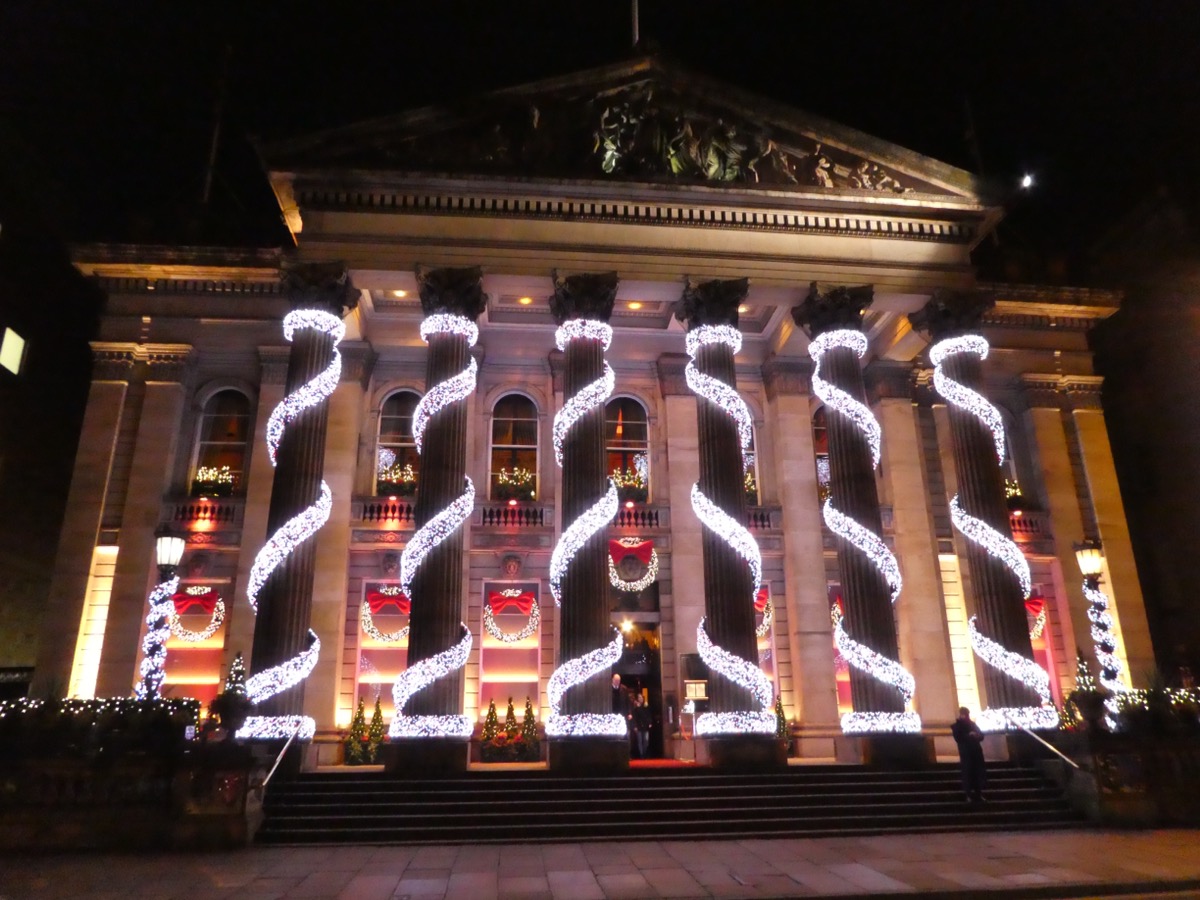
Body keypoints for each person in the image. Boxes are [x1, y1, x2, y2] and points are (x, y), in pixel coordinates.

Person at [951, 706, 987, 803]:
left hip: (975, 751)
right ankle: (968, 794)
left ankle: (978, 793)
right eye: (964, 714)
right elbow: (958, 738)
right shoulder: (957, 726)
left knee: (977, 773)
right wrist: (969, 735)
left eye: (966, 714)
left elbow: (981, 735)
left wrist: (976, 735)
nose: (965, 716)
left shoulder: (972, 724)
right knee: (967, 773)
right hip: (966, 752)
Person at [629, 693, 652, 759]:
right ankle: (641, 755)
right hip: (638, 726)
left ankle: (644, 753)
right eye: (639, 697)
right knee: (640, 741)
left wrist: (650, 722)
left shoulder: (646, 706)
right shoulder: (635, 708)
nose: (640, 699)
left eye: (641, 697)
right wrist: (634, 726)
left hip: (645, 726)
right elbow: (634, 717)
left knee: (646, 741)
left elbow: (648, 715)